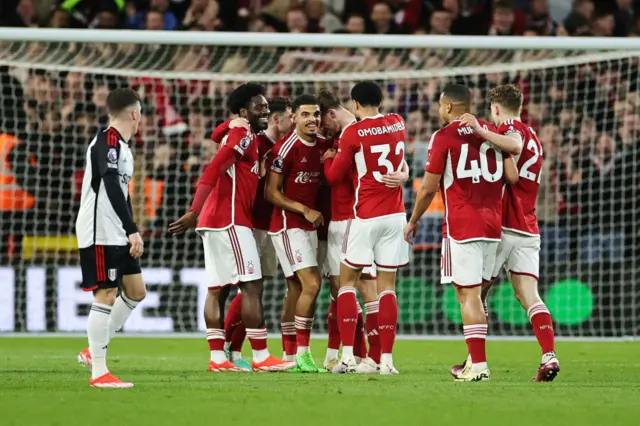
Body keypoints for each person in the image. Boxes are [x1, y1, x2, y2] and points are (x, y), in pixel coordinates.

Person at [168, 84, 294, 373]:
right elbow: (213, 169)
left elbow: (214, 135)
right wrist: (193, 211)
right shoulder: (240, 135)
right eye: (259, 107)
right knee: (251, 285)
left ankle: (217, 359)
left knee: (217, 289)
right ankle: (261, 356)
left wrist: (229, 122)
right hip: (230, 220)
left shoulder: (243, 133)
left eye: (266, 107)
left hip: (218, 221)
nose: (265, 111)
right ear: (243, 112)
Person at [404, 84, 518, 382]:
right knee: (477, 297)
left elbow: (429, 187)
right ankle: (472, 360)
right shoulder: (491, 133)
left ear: (450, 107)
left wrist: (413, 219)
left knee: (467, 296)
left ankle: (478, 365)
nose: (438, 111)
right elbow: (511, 177)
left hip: (462, 225)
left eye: (441, 106)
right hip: (493, 225)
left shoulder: (444, 136)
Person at [451, 84, 559, 382]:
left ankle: (476, 361)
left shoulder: (511, 128)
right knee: (529, 295)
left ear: (496, 109)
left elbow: (512, 145)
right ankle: (549, 355)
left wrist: (480, 130)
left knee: (474, 292)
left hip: (503, 226)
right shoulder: (534, 134)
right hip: (528, 226)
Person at [317, 89, 409, 373]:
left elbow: (333, 177)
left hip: (364, 216)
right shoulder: (398, 121)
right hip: (396, 216)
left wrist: (328, 160)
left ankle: (346, 357)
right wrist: (404, 173)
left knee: (346, 285)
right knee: (387, 289)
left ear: (355, 103)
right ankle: (386, 361)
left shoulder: (354, 133)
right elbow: (400, 160)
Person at [75, 88, 146, 388]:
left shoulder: (125, 148)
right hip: (100, 229)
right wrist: (131, 228)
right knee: (105, 294)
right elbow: (109, 184)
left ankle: (92, 350)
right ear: (133, 114)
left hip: (116, 229)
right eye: (140, 114)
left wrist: (130, 229)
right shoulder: (108, 141)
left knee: (136, 290)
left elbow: (123, 193)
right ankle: (99, 372)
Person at [265, 94, 328, 373]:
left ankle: (289, 355)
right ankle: (303, 353)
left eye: (315, 114)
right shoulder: (285, 148)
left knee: (296, 288)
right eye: (305, 114)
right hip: (287, 226)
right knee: (312, 284)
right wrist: (304, 210)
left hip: (309, 227)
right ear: (294, 119)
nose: (312, 119)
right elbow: (271, 193)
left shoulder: (325, 146)